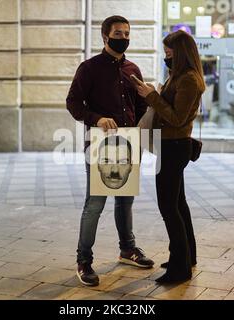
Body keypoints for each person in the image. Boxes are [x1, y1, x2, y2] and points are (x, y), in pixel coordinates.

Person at [66, 15, 154, 287]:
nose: (124, 37)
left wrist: (143, 125)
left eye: (127, 32)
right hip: (100, 144)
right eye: (118, 33)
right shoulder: (89, 68)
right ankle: (84, 261)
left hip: (129, 144)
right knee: (95, 203)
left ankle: (127, 249)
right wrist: (96, 118)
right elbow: (73, 103)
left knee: (125, 200)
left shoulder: (133, 69)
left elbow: (140, 107)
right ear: (105, 37)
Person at [134, 30, 205, 283]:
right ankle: (186, 256)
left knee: (168, 206)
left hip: (174, 147)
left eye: (169, 54)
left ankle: (180, 268)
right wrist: (155, 92)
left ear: (181, 54)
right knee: (178, 204)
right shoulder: (180, 76)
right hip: (172, 145)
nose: (166, 58)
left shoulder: (188, 79)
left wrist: (151, 96)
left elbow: (177, 117)